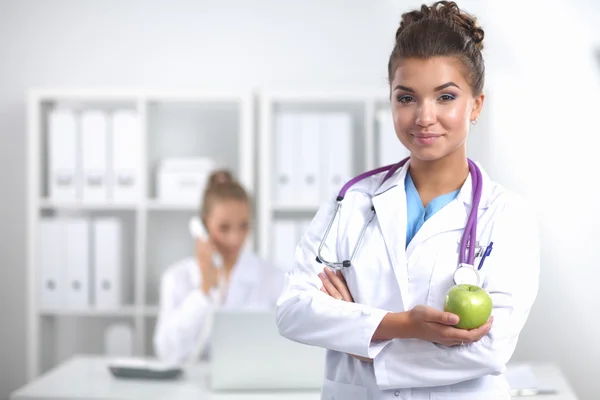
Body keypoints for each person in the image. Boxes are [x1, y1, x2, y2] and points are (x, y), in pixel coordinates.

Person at [275, 2, 540, 399]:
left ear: (476, 106)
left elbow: (488, 351)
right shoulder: (352, 200)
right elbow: (293, 310)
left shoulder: (506, 216)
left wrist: (365, 346)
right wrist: (402, 325)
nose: (424, 116)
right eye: (406, 98)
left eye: (445, 97)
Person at [154, 169, 285, 364]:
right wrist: (204, 291)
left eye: (244, 226)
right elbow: (166, 352)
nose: (235, 239)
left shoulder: (274, 278)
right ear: (203, 226)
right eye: (224, 228)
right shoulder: (177, 277)